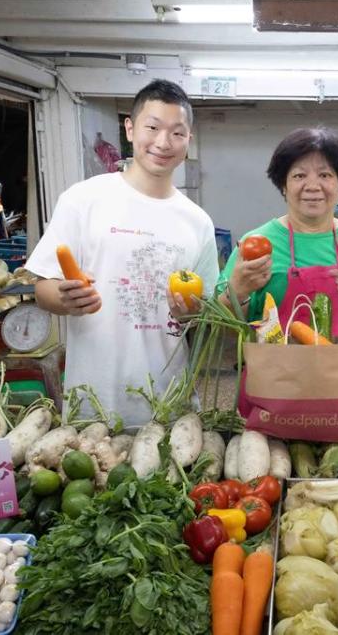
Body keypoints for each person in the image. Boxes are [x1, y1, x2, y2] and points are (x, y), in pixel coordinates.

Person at [26, 80, 219, 426]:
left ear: (188, 140)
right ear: (130, 129)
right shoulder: (83, 200)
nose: (163, 142)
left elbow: (206, 310)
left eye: (177, 133)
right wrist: (63, 298)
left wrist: (192, 312)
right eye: (153, 127)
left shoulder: (197, 221)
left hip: (169, 403)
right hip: (93, 401)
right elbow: (42, 289)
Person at [219, 127, 338, 421]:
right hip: (275, 398)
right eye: (298, 175)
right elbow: (222, 325)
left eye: (325, 175)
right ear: (282, 184)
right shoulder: (255, 244)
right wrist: (238, 291)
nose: (312, 185)